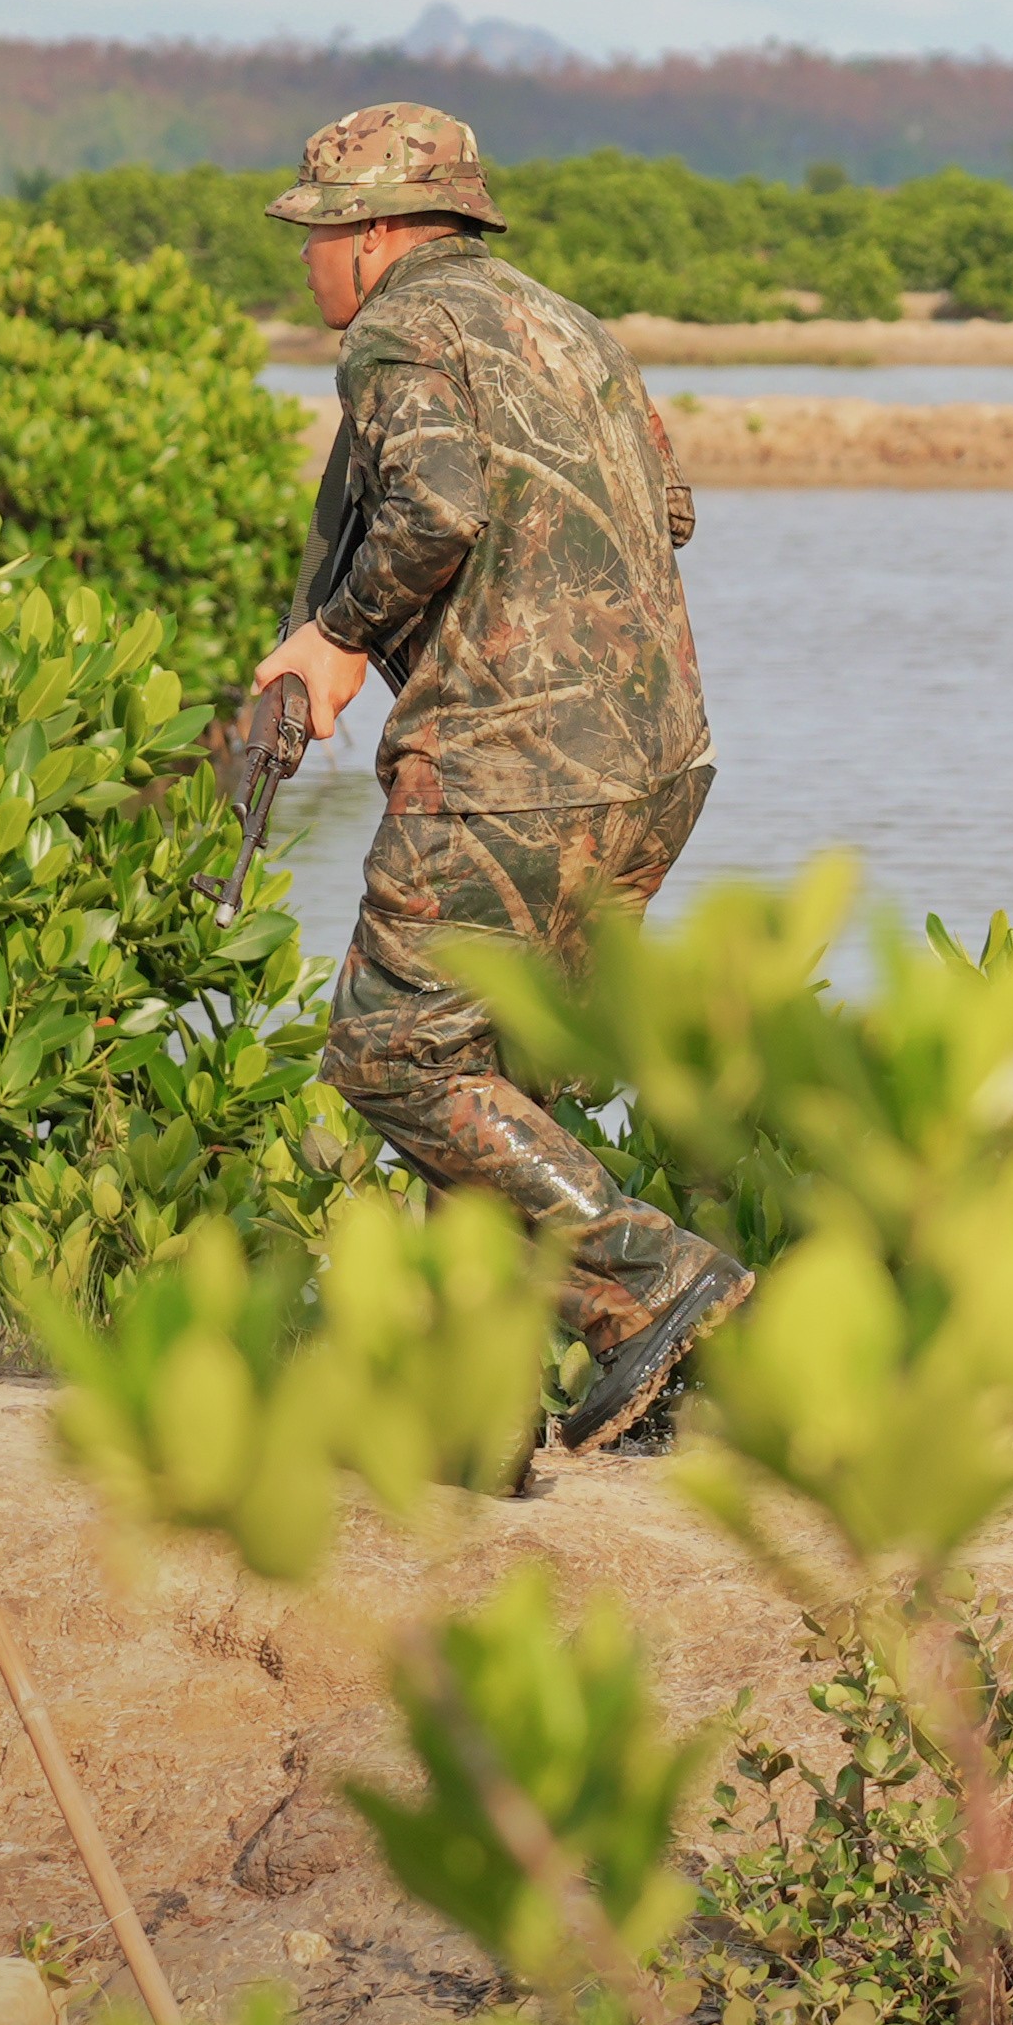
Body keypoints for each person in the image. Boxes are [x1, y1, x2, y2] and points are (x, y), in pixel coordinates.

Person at [244, 100, 739, 1446]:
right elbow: (673, 508)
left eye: (318, 235)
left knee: (395, 1056)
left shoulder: (401, 330)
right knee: (493, 1082)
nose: (309, 265)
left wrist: (342, 636)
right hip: (658, 762)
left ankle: (647, 1276)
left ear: (379, 232)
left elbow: (441, 505)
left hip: (511, 766)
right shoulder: (570, 324)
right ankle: (481, 1423)